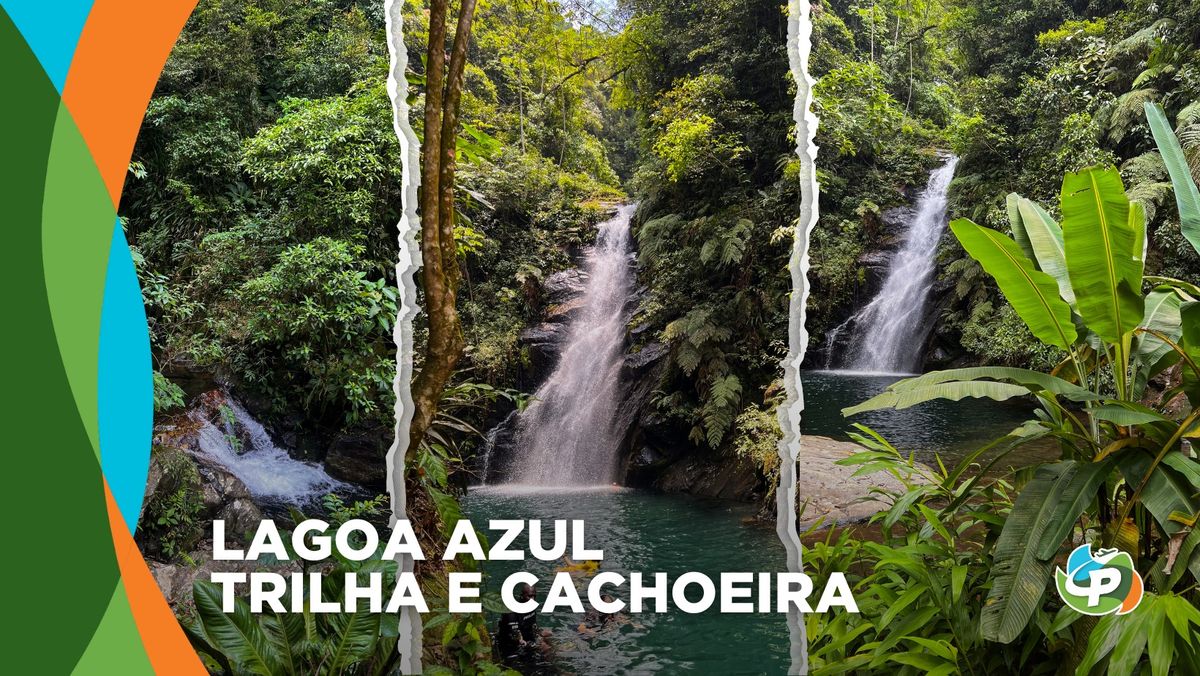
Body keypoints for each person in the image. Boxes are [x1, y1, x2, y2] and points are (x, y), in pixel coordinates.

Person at [496, 583, 551, 668]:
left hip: (526, 639)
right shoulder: (512, 613)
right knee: (544, 650)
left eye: (534, 596)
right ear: (522, 596)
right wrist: (536, 645)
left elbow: (533, 626)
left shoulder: (531, 607)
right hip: (511, 646)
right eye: (529, 596)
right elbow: (516, 639)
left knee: (549, 642)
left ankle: (554, 667)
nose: (532, 599)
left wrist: (540, 633)